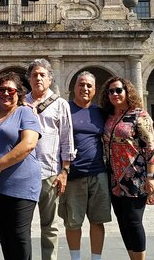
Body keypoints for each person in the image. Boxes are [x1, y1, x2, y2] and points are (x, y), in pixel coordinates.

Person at [0, 72, 42, 260]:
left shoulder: (25, 112)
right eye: (1, 89)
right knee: (4, 237)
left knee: (19, 237)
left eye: (11, 90)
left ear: (19, 93)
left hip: (20, 185)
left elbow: (29, 144)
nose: (6, 93)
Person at [100, 76, 154, 260]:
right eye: (111, 91)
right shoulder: (111, 116)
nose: (115, 94)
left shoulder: (140, 116)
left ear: (127, 92)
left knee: (133, 222)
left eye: (119, 90)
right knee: (123, 222)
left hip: (135, 177)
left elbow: (150, 147)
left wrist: (152, 176)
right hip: (114, 178)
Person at [25, 58, 75, 260]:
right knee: (21, 225)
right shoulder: (21, 102)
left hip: (50, 173)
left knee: (50, 225)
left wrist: (65, 171)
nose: (38, 78)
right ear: (28, 79)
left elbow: (67, 138)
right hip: (23, 173)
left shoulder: (60, 104)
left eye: (42, 74)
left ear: (50, 79)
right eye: (34, 74)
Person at [58, 72, 111, 260]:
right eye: (81, 84)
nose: (85, 88)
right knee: (73, 222)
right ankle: (76, 258)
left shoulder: (101, 113)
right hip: (73, 175)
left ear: (95, 90)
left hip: (98, 173)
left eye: (89, 85)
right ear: (74, 87)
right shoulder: (65, 109)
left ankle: (96, 259)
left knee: (98, 221)